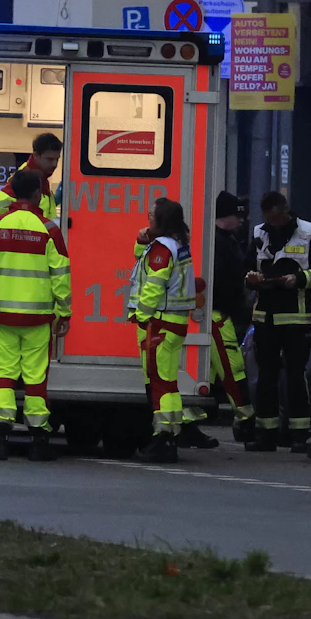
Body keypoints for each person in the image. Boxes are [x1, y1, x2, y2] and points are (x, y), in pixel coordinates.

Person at [0, 169, 71, 463]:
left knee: (4, 376)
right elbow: (61, 276)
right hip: (38, 317)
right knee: (36, 379)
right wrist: (64, 313)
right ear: (38, 194)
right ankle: (39, 441)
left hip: (2, 317)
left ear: (12, 192)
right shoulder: (49, 229)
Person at [246, 190, 311, 452]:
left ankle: (299, 434)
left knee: (295, 376)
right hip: (265, 317)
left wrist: (300, 279)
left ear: (285, 211)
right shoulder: (259, 233)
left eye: (274, 217)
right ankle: (266, 434)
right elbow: (246, 266)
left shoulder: (308, 232)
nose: (270, 222)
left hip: (296, 317)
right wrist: (251, 278)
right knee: (266, 377)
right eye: (267, 218)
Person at [130, 197, 197, 463]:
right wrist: (141, 241)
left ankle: (163, 438)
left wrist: (141, 315)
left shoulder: (162, 248)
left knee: (159, 383)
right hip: (173, 323)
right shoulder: (176, 244)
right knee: (167, 383)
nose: (148, 218)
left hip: (158, 323)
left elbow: (154, 284)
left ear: (162, 220)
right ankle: (169, 435)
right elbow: (142, 262)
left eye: (151, 215)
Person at [210, 191, 257, 441]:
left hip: (223, 313)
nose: (241, 220)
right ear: (223, 216)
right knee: (233, 369)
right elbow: (224, 282)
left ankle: (188, 422)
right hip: (219, 316)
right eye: (236, 216)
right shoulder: (219, 243)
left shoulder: (225, 240)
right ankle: (246, 418)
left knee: (210, 371)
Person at [0, 131, 64, 216]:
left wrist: (53, 202)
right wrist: (22, 220)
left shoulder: (42, 177)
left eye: (57, 159)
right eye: (50, 159)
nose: (54, 164)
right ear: (36, 155)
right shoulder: (27, 177)